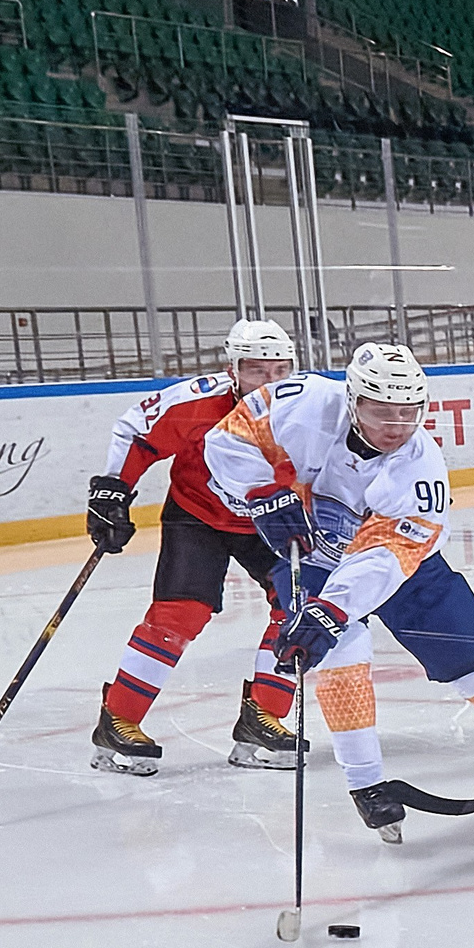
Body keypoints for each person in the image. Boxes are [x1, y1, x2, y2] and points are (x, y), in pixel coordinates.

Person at [203, 343, 474, 841]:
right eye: (381, 413)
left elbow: (385, 559)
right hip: (310, 557)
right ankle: (367, 787)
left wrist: (331, 611)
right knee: (341, 666)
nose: (396, 428)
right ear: (353, 401)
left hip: (406, 567)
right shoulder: (306, 401)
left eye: (409, 414)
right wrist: (261, 493)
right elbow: (229, 439)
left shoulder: (420, 469)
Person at [86, 319, 303, 776]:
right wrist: (112, 490)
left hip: (267, 520)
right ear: (233, 368)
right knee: (179, 614)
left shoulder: (307, 408)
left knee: (296, 605)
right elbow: (136, 433)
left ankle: (264, 718)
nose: (269, 381)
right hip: (196, 515)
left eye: (280, 370)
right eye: (257, 370)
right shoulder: (196, 402)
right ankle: (119, 720)